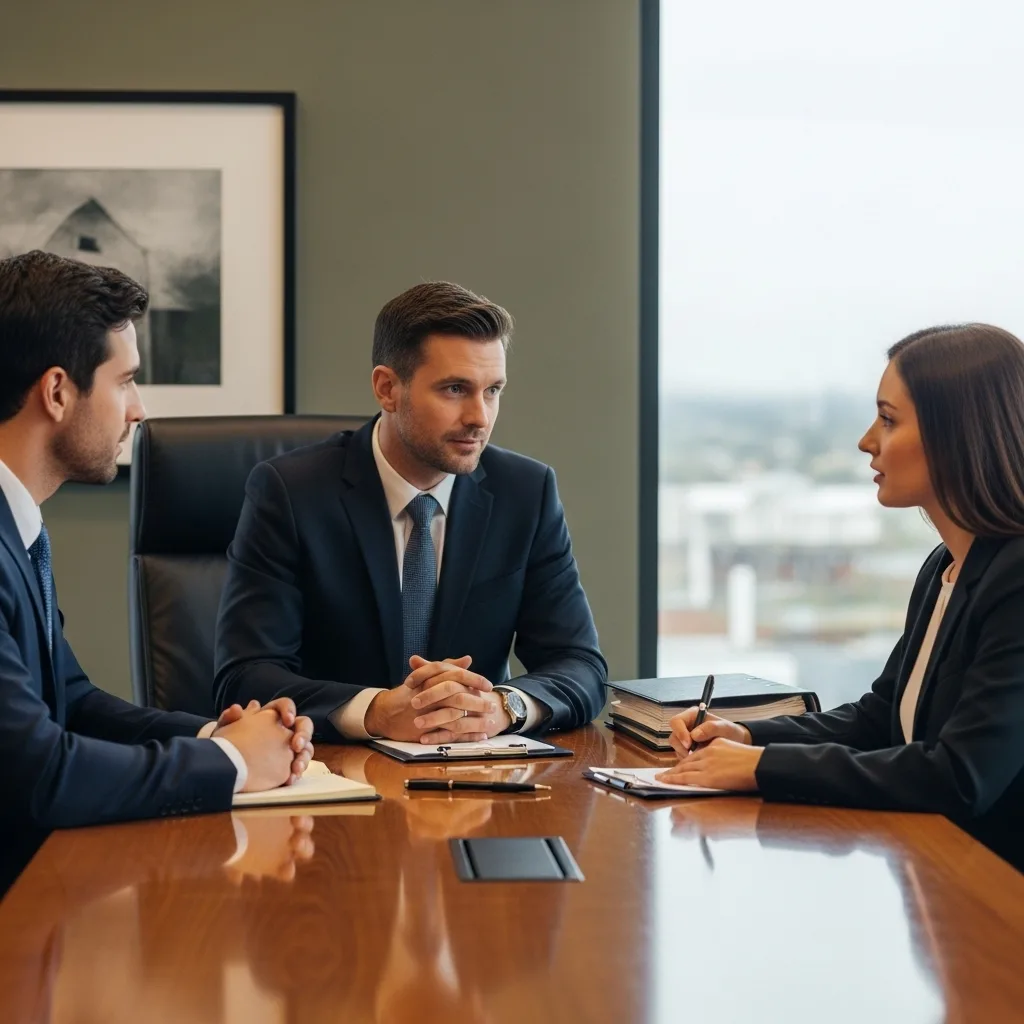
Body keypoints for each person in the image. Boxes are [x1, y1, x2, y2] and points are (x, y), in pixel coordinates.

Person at [0, 250, 314, 894]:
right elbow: (41, 776)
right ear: (58, 391)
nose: (138, 411)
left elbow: (73, 702)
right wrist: (230, 761)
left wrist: (215, 730)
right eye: (125, 381)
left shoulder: (19, 526)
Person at [660, 323, 1024, 871]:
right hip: (939, 880)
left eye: (889, 419)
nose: (866, 441)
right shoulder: (946, 567)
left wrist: (758, 768)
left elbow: (960, 775)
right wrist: (747, 736)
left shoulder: (1016, 580)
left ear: (957, 434)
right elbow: (881, 720)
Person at [214, 281, 606, 744]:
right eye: (455, 389)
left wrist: (503, 706)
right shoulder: (291, 492)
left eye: (493, 390)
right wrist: (376, 711)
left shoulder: (526, 491)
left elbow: (581, 665)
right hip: (333, 778)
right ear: (387, 388)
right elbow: (245, 677)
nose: (480, 416)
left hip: (476, 784)